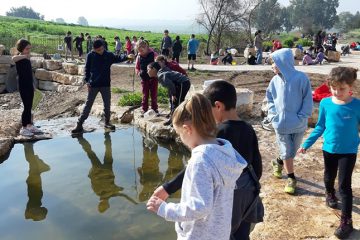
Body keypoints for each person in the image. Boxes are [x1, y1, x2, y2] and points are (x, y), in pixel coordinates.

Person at [151, 81, 264, 240]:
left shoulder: (216, 137)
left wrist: (167, 193)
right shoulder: (243, 131)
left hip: (223, 207)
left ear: (218, 106)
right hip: (245, 193)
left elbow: (199, 197)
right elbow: (257, 166)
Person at [298, 67, 360, 239]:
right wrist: (307, 143)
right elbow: (320, 126)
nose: (337, 92)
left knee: (345, 186)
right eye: (334, 88)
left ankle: (347, 222)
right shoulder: (325, 103)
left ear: (350, 87)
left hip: (348, 152)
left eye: (342, 89)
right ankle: (329, 193)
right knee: (328, 177)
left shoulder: (357, 105)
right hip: (329, 150)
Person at [266, 48, 313, 194]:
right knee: (287, 151)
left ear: (283, 62)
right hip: (280, 124)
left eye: (274, 62)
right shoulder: (274, 81)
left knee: (292, 151)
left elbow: (307, 99)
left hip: (298, 124)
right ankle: (291, 178)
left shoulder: (301, 78)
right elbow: (270, 99)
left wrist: (302, 116)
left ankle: (278, 161)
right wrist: (274, 116)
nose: (272, 66)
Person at [71, 39, 129, 134]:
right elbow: (87, 70)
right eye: (98, 50)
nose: (101, 51)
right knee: (88, 105)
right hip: (93, 84)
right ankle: (79, 124)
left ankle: (107, 122)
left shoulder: (108, 55)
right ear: (94, 49)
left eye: (102, 49)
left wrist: (127, 57)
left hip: (106, 84)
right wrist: (87, 82)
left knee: (107, 105)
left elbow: (118, 58)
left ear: (103, 47)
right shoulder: (90, 55)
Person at [12, 39, 43, 137]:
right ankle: (24, 128)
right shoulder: (20, 58)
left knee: (30, 107)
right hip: (23, 86)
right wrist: (24, 56)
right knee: (26, 107)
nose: (29, 50)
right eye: (27, 48)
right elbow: (13, 58)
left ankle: (29, 125)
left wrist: (33, 85)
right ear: (21, 48)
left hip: (29, 85)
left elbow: (29, 74)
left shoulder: (26, 59)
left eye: (30, 48)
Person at [135, 40, 159, 116]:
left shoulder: (153, 54)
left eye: (142, 50)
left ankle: (154, 109)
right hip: (144, 78)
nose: (140, 52)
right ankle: (144, 109)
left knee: (154, 94)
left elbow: (158, 63)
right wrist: (138, 72)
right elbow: (137, 67)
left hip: (153, 78)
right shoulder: (138, 57)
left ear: (146, 48)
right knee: (145, 94)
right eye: (139, 51)